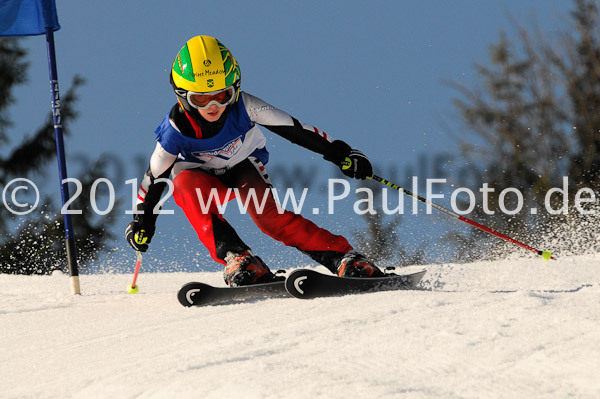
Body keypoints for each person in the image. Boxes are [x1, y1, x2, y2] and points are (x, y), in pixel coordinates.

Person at [125, 35, 385, 286]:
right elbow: (155, 178)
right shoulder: (175, 129)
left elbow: (295, 129)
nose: (213, 105)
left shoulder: (246, 106)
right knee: (182, 183)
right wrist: (143, 220)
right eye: (201, 98)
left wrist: (342, 154)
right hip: (201, 179)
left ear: (234, 89)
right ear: (183, 96)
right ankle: (238, 258)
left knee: (268, 218)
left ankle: (343, 257)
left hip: (243, 168)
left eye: (223, 95)